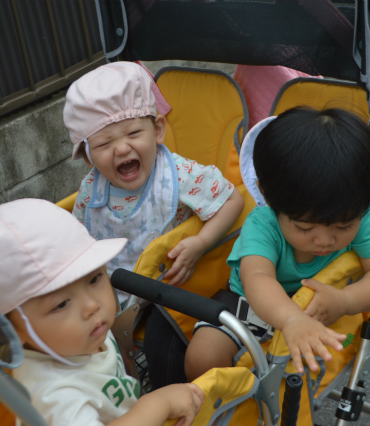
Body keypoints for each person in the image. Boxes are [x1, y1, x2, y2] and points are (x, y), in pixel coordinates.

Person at [185, 107, 370, 381]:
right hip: (250, 306)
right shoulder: (264, 225)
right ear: (268, 196)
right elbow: (257, 277)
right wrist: (290, 319)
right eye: (304, 227)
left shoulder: (362, 216)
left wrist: (346, 300)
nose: (324, 240)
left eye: (343, 227)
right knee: (201, 357)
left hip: (320, 308)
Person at [64, 61, 244, 389]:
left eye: (134, 133)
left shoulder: (178, 175)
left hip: (169, 289)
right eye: (104, 144)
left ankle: (170, 401)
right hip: (111, 291)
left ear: (158, 130)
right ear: (88, 156)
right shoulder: (92, 188)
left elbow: (233, 200)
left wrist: (201, 242)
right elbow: (77, 237)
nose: (122, 148)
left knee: (164, 346)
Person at [0, 199, 204, 426]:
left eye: (94, 279)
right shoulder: (54, 395)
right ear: (8, 330)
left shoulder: (80, 336)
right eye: (61, 304)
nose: (92, 306)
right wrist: (159, 404)